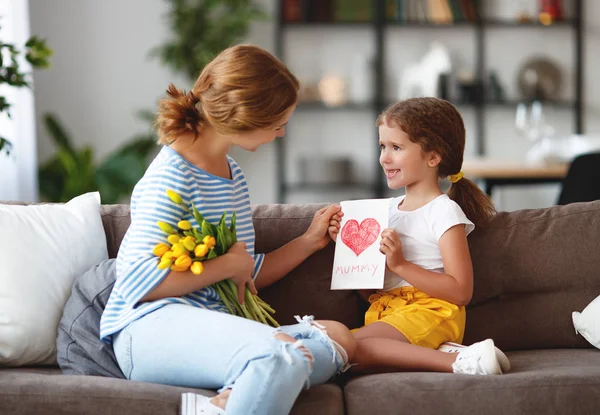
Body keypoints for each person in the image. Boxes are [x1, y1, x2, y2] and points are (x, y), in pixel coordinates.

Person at [99, 44, 356, 415]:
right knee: (284, 355)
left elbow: (243, 274)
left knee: (337, 339)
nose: (282, 133)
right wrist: (228, 265)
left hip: (209, 326)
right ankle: (259, 371)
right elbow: (141, 283)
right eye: (278, 123)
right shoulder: (171, 175)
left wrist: (308, 242)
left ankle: (227, 402)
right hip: (148, 327)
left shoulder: (231, 175)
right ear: (246, 116)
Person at [328, 97, 510, 376]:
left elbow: (461, 291)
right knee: (338, 354)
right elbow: (372, 293)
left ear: (433, 157)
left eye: (396, 148)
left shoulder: (443, 211)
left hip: (431, 312)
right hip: (387, 313)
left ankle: (461, 363)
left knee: (338, 348)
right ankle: (442, 354)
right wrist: (352, 255)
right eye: (383, 146)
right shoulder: (384, 211)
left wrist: (401, 265)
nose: (384, 158)